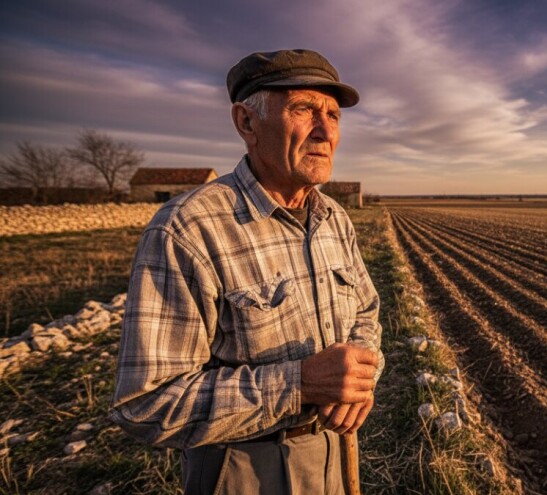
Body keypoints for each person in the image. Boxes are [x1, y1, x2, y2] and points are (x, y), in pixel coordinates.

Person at [110, 49, 384, 494]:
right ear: (247, 123)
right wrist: (299, 384)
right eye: (303, 110)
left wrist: (360, 373)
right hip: (240, 467)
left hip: (334, 452)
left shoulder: (334, 218)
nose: (324, 131)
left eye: (333, 116)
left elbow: (366, 313)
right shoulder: (188, 229)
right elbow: (146, 402)